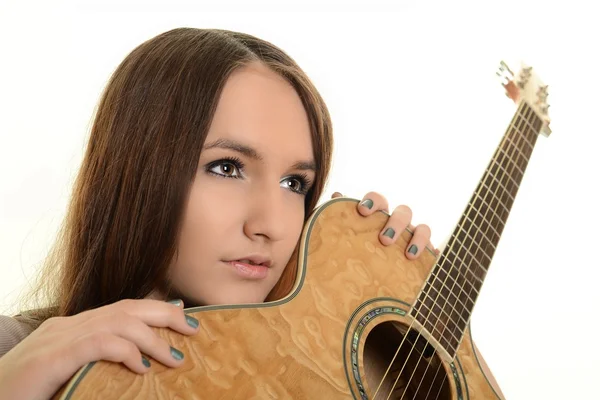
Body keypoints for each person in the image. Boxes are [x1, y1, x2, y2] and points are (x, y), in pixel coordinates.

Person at [0, 27, 439, 399]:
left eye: (294, 184)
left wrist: (412, 350)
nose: (269, 225)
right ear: (135, 175)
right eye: (227, 168)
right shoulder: (16, 354)